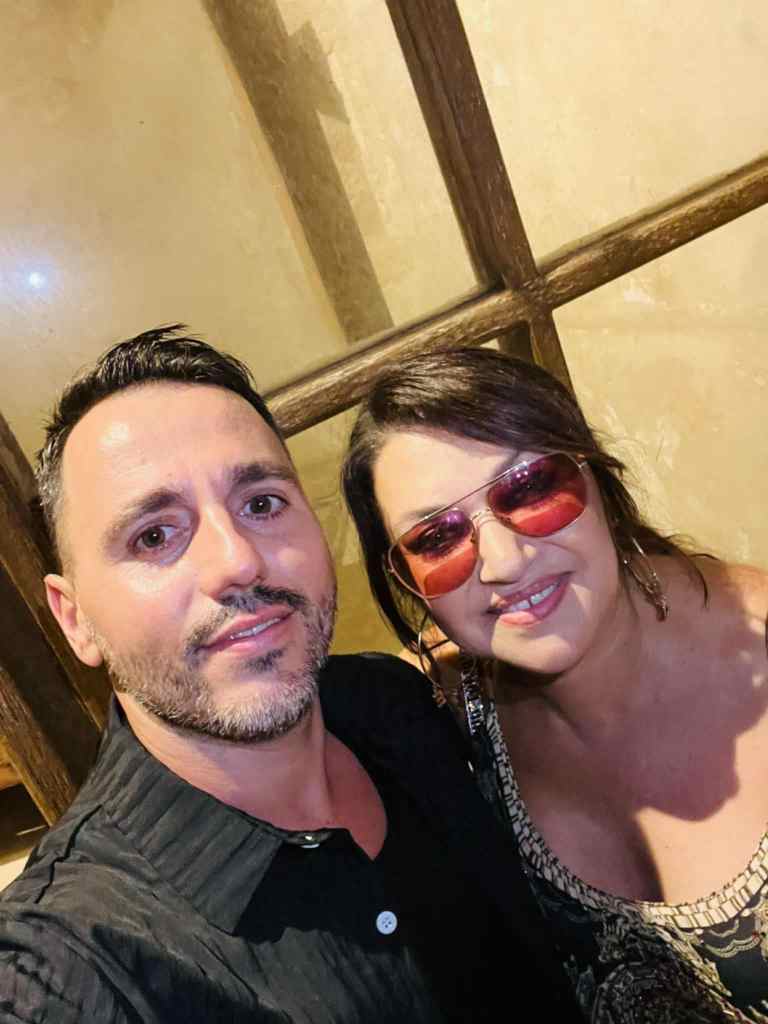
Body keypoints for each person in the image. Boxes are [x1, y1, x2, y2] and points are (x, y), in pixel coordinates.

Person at [0, 328, 576, 1022]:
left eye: (262, 504)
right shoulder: (64, 971)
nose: (237, 561)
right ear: (75, 620)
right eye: (154, 536)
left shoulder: (393, 704)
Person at [342, 344, 768, 1021]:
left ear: (596, 477)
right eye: (438, 539)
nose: (504, 561)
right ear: (405, 581)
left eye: (529, 488)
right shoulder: (445, 709)